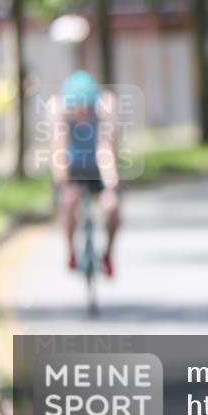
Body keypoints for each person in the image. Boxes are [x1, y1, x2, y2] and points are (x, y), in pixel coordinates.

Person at [48, 70, 121, 278]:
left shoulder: (104, 107)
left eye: (86, 107)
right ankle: (71, 250)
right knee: (69, 202)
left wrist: (111, 183)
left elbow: (105, 148)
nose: (82, 112)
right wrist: (62, 180)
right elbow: (59, 149)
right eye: (77, 107)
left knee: (112, 206)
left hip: (98, 168)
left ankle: (107, 254)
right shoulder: (59, 110)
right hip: (72, 168)